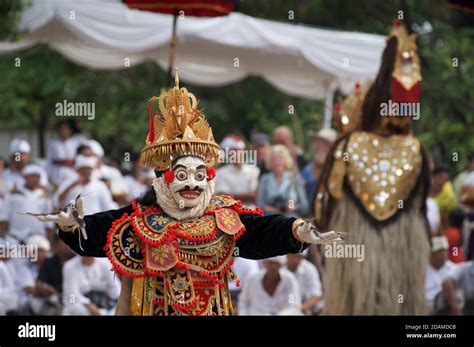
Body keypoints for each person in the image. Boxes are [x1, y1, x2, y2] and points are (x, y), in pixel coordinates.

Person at [32, 72, 342, 316]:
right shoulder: (140, 220)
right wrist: (71, 225)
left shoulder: (222, 217)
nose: (191, 184)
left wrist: (298, 230)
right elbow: (98, 234)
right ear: (163, 180)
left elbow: (261, 231)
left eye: (198, 175)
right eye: (181, 176)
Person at [314, 21, 430, 315]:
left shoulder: (347, 145)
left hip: (351, 268)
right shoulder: (416, 149)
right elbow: (422, 212)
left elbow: (323, 211)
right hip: (402, 260)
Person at [1, 164, 54, 243]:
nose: (35, 179)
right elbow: (4, 218)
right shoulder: (14, 194)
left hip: (38, 239)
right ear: (25, 177)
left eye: (37, 177)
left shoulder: (44, 197)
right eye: (32, 176)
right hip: (15, 239)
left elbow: (49, 224)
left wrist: (49, 242)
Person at [257, 145, 308, 217]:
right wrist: (273, 209)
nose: (277, 161)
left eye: (280, 158)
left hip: (291, 216)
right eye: (274, 159)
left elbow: (304, 205)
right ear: (270, 161)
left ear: (286, 160)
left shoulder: (293, 178)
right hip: (270, 217)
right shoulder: (265, 179)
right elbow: (260, 203)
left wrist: (292, 207)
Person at [215, 134, 260, 206]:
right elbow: (222, 197)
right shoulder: (220, 173)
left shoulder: (254, 171)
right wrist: (248, 196)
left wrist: (232, 196)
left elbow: (256, 196)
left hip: (252, 212)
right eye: (233, 151)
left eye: (239, 150)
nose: (236, 154)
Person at [35, 236, 74, 315]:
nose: (67, 245)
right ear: (56, 244)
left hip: (73, 296)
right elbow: (39, 283)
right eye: (64, 242)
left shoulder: (76, 262)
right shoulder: (49, 262)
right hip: (54, 297)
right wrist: (45, 288)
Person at [425, 236, 458, 314]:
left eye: (445, 250)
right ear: (432, 253)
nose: (444, 254)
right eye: (440, 251)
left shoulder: (454, 269)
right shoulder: (422, 270)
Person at [46, 120, 80, 187]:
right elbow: (49, 160)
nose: (63, 131)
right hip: (57, 172)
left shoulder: (75, 143)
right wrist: (48, 175)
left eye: (66, 129)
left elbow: (77, 159)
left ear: (70, 131)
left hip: (71, 171)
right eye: (61, 129)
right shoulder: (53, 144)